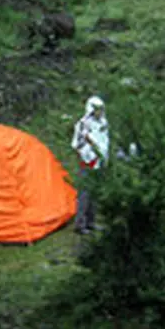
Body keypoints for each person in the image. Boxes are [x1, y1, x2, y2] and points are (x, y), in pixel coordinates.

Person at [70, 95, 109, 234]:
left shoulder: (103, 123)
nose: (99, 112)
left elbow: (104, 141)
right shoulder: (83, 124)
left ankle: (91, 222)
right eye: (96, 109)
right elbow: (76, 144)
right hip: (87, 161)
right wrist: (86, 153)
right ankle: (80, 224)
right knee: (84, 193)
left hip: (99, 161)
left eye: (101, 109)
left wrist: (104, 156)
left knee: (94, 193)